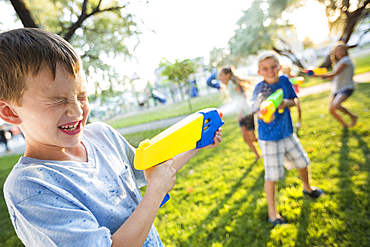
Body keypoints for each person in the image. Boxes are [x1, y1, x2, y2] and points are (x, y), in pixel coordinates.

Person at [0, 28, 222, 247]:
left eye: (81, 96)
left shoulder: (102, 135)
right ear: (10, 112)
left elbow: (151, 171)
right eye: (58, 100)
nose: (77, 111)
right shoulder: (28, 188)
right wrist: (155, 194)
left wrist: (198, 142)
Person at [252, 51, 323, 227]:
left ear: (279, 67)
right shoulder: (260, 88)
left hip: (287, 133)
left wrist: (285, 103)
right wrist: (264, 116)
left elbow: (294, 100)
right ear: (260, 71)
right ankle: (273, 214)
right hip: (269, 138)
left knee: (303, 161)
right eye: (265, 69)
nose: (270, 71)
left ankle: (308, 188)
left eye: (273, 67)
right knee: (272, 175)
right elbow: (255, 110)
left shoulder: (284, 81)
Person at [218, 67, 260, 160]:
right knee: (245, 137)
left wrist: (240, 113)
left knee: (252, 138)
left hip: (246, 113)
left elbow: (243, 97)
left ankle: (267, 144)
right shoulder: (229, 85)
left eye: (221, 75)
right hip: (241, 114)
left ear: (228, 75)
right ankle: (258, 156)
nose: (220, 78)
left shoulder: (232, 83)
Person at [314, 41, 357, 128]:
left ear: (345, 51)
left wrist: (320, 75)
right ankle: (345, 125)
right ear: (334, 53)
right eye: (337, 51)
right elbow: (334, 77)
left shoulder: (346, 60)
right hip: (337, 88)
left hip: (347, 87)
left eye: (341, 50)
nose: (340, 52)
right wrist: (320, 76)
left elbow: (334, 74)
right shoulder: (337, 63)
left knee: (336, 105)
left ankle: (353, 116)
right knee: (331, 110)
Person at [281, 65, 302, 135]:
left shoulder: (293, 76)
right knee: (288, 111)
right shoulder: (283, 79)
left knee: (299, 109)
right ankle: (290, 125)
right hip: (287, 97)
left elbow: (298, 84)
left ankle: (299, 122)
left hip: (295, 95)